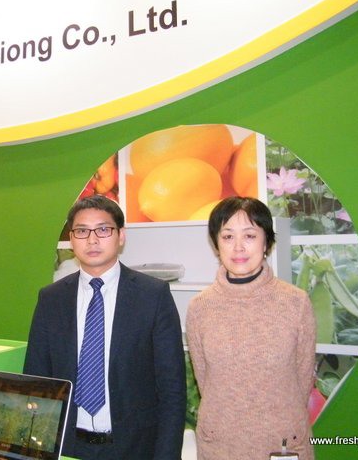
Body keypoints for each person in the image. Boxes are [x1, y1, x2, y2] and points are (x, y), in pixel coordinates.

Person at [24, 194, 186, 460]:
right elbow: (37, 380)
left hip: (133, 449)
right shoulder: (51, 299)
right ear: (71, 239)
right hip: (67, 447)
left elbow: (172, 390)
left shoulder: (152, 296)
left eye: (103, 229)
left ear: (121, 236)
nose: (92, 240)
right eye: (81, 231)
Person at [186, 196, 316, 460]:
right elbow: (205, 381)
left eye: (249, 236)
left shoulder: (296, 302)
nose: (238, 247)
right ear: (216, 245)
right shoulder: (200, 307)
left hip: (282, 442)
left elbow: (303, 379)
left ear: (266, 242)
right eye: (227, 236)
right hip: (220, 444)